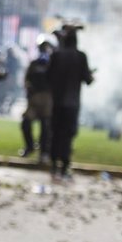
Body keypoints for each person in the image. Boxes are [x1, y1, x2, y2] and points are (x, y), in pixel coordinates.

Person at [47, 25, 94, 181]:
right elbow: (88, 79)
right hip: (72, 103)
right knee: (67, 135)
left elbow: (49, 76)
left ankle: (54, 165)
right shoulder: (81, 57)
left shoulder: (56, 55)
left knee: (55, 133)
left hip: (57, 102)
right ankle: (65, 166)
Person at [20, 35, 56, 162]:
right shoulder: (34, 64)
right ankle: (30, 146)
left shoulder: (53, 65)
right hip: (34, 98)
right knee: (26, 122)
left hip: (47, 98)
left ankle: (44, 153)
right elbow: (26, 80)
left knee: (46, 127)